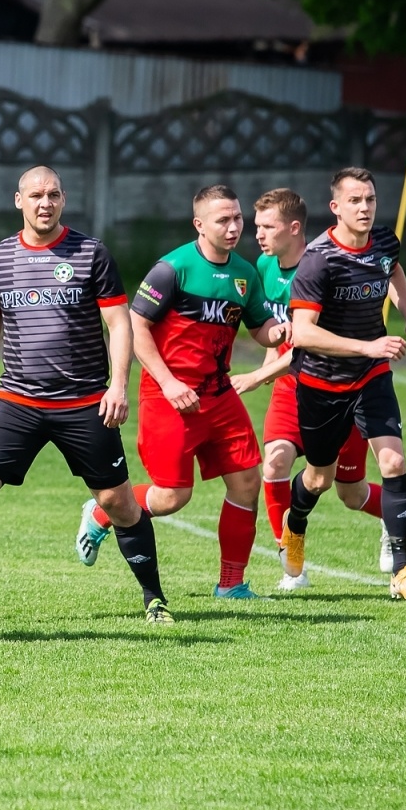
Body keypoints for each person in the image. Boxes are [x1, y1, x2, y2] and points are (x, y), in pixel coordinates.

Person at [0, 165, 173, 624]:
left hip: (83, 402)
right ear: (18, 200)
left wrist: (118, 385)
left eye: (54, 195)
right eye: (36, 195)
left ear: (63, 200)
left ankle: (154, 598)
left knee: (117, 502)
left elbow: (119, 324)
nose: (45, 203)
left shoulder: (91, 253)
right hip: (18, 400)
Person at [125, 184, 285, 600]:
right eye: (223, 220)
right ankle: (106, 512)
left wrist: (282, 329)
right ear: (199, 224)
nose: (234, 227)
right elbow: (136, 326)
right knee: (172, 496)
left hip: (218, 394)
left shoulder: (246, 274)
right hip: (169, 396)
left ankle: (231, 584)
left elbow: (261, 329)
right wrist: (169, 381)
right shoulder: (171, 269)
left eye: (237, 219)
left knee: (248, 481)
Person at [281, 167, 406, 601]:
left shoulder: (384, 242)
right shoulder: (317, 259)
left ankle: (401, 571)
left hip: (371, 378)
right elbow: (303, 333)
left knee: (393, 463)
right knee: (318, 479)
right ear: (336, 208)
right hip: (321, 384)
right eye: (354, 201)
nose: (364, 208)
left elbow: (394, 271)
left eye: (369, 199)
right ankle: (295, 527)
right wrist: (367, 346)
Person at [231, 188, 386, 590]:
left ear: (294, 228)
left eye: (268, 227)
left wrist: (255, 377)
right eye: (258, 226)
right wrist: (268, 368)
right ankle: (289, 556)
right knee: (275, 462)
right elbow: (278, 336)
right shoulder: (266, 266)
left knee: (348, 493)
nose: (258, 236)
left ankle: (394, 516)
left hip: (336, 387)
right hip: (290, 388)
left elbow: (305, 343)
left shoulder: (320, 267)